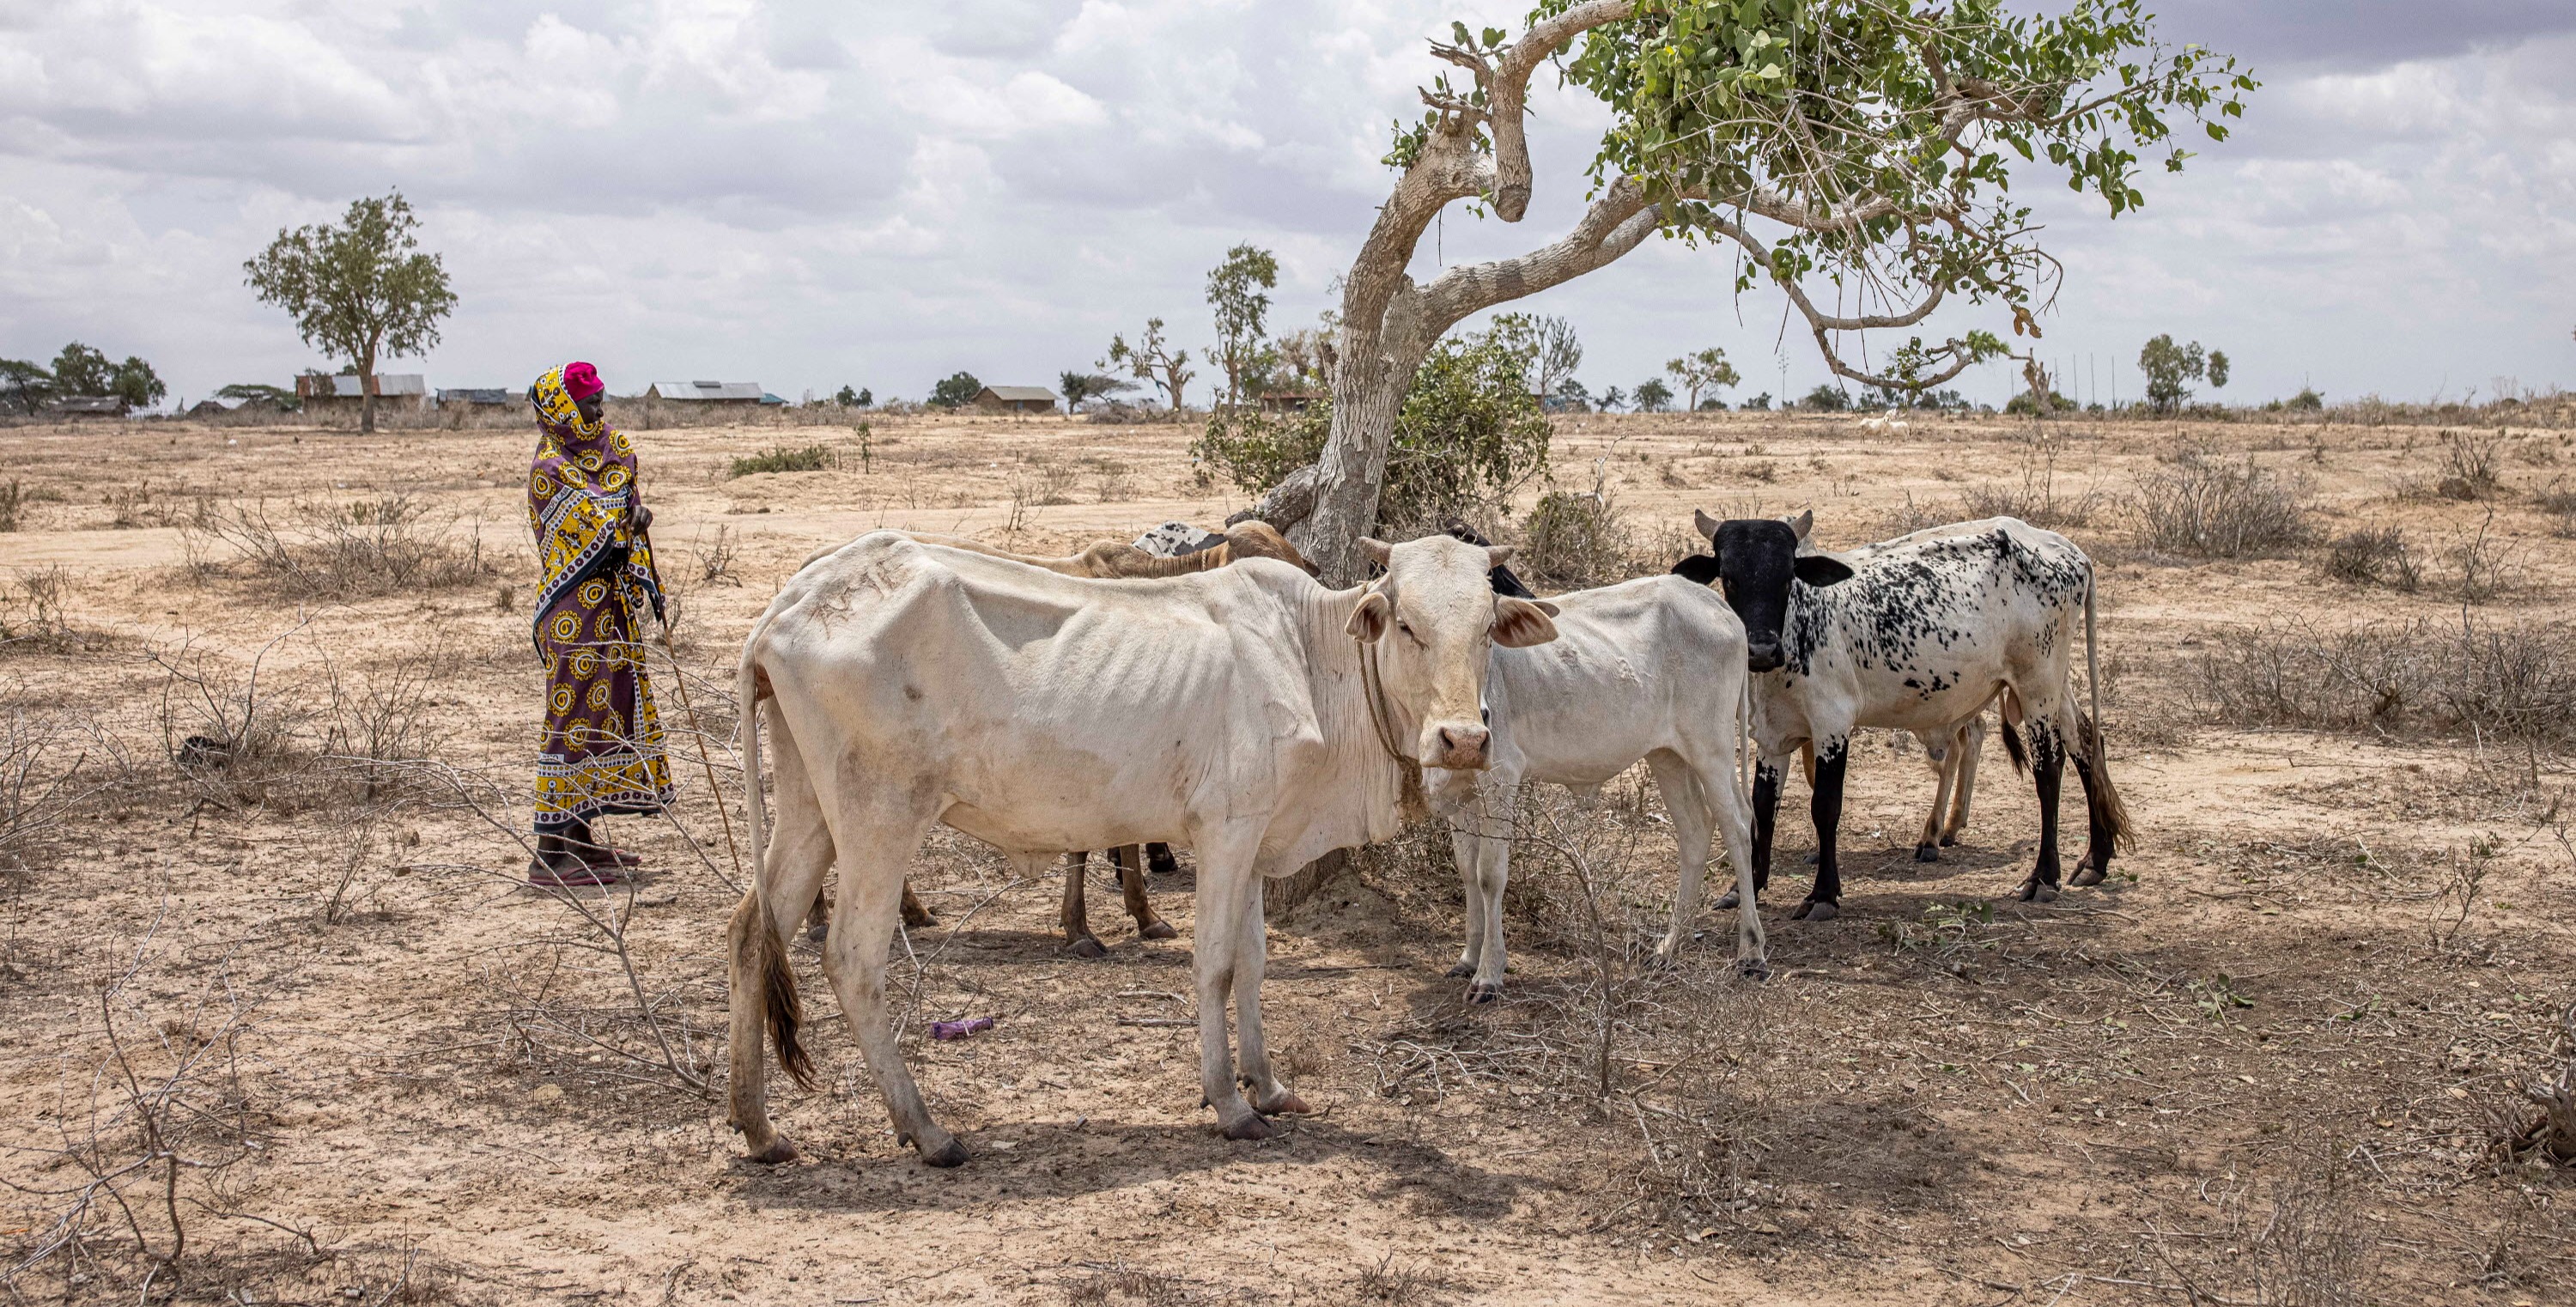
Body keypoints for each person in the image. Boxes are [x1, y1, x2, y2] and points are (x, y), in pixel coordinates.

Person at [524, 362, 672, 886]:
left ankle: (580, 840)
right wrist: (626, 526)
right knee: (569, 719)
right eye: (589, 403)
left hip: (609, 610)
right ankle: (550, 852)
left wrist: (636, 516)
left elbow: (622, 506)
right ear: (564, 409)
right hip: (572, 615)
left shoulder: (610, 450)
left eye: (601, 399)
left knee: (603, 712)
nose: (599, 410)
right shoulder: (550, 470)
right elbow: (599, 538)